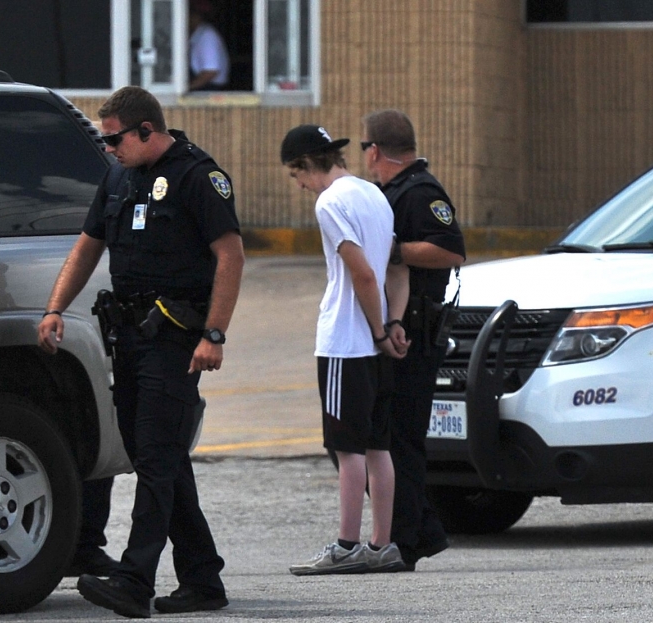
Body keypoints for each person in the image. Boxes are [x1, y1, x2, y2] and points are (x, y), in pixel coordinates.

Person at [37, 85, 243, 618]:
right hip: (128, 335)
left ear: (147, 130)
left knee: (154, 458)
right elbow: (88, 245)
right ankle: (203, 579)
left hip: (176, 337)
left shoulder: (198, 177)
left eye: (114, 139)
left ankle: (134, 580)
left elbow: (230, 256)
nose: (108, 149)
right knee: (160, 456)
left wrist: (214, 334)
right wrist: (55, 307)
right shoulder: (118, 176)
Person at [280, 124, 410, 576]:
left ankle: (347, 545)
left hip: (345, 341)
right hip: (374, 345)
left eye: (295, 176)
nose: (298, 186)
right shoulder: (375, 196)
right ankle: (382, 545)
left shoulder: (330, 202)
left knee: (346, 446)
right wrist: (394, 323)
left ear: (303, 166)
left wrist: (376, 330)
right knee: (378, 444)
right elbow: (396, 267)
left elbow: (363, 275)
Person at [361, 109, 466, 571]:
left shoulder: (420, 192)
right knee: (386, 435)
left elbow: (449, 249)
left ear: (375, 151)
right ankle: (420, 531)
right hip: (400, 331)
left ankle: (408, 537)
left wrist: (392, 250)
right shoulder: (393, 192)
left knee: (398, 438)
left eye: (365, 148)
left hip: (417, 335)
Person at [188, 0, 230, 91]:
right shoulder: (197, 35)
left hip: (210, 90)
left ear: (196, 16)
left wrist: (187, 88)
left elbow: (210, 71)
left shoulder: (207, 36)